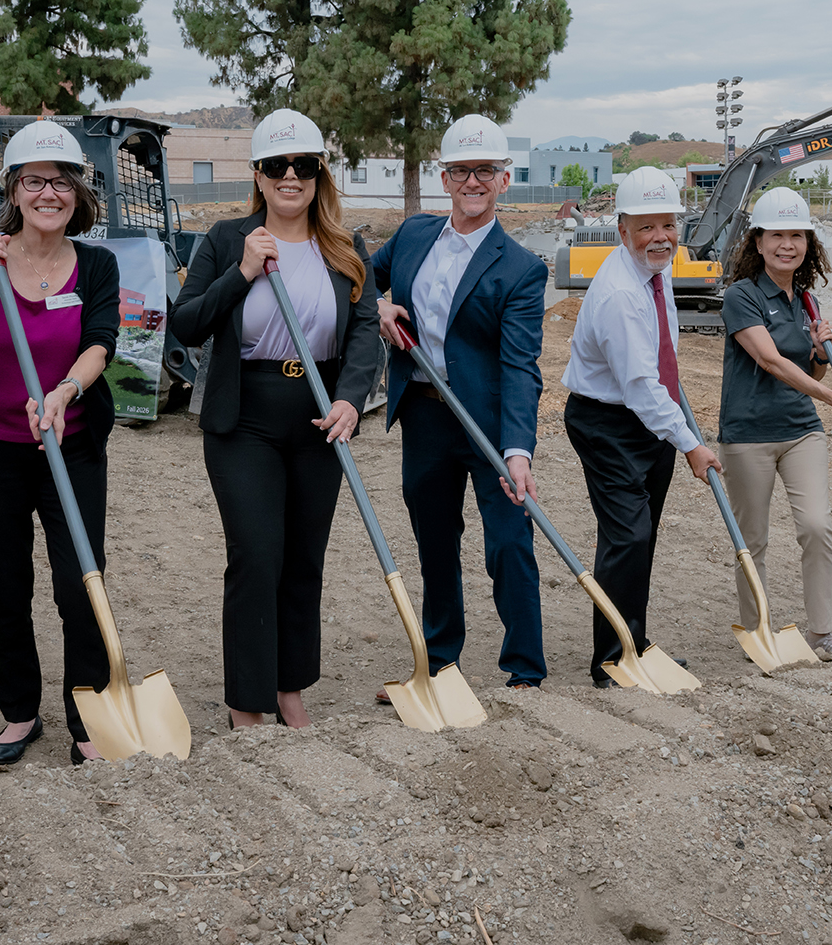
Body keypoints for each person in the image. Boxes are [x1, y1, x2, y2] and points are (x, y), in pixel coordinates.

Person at [172, 108, 381, 729]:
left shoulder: (346, 246)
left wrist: (350, 397)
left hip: (321, 416)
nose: (291, 177)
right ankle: (247, 701)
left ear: (320, 175)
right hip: (247, 420)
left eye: (304, 166)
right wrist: (240, 272)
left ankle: (290, 688)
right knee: (257, 554)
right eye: (277, 166)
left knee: (303, 557)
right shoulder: (226, 239)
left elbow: (365, 327)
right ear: (258, 176)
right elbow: (186, 324)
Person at [0, 120, 121, 765]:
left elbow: (101, 341)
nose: (49, 194)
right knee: (5, 586)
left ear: (77, 194)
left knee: (78, 584)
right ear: (13, 187)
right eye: (35, 181)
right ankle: (19, 713)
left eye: (62, 183)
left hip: (72, 447)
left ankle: (87, 714)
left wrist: (64, 393)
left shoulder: (96, 263)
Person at [372, 114, 548, 693]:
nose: (472, 181)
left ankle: (525, 669)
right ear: (444, 178)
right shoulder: (413, 235)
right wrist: (379, 305)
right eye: (460, 171)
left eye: (485, 171)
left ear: (503, 179)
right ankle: (441, 661)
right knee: (435, 541)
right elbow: (358, 277)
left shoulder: (522, 268)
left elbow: (521, 366)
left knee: (508, 543)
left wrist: (518, 449)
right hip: (425, 414)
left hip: (489, 424)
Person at [559, 167, 721, 687]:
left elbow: (658, 363)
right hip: (607, 422)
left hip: (647, 420)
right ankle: (611, 659)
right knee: (627, 536)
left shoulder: (656, 272)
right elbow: (639, 387)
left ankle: (636, 641)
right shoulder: (619, 295)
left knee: (642, 537)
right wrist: (693, 444)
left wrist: (675, 420)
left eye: (668, 225)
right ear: (623, 229)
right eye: (647, 227)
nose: (661, 237)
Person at [717, 187, 832, 659]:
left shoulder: (807, 301)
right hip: (747, 435)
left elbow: (807, 369)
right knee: (752, 539)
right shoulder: (741, 296)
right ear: (757, 242)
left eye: (796, 235)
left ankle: (820, 633)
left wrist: (820, 354)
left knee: (818, 527)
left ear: (808, 244)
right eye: (777, 234)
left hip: (801, 429)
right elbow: (771, 361)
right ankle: (758, 632)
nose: (788, 244)